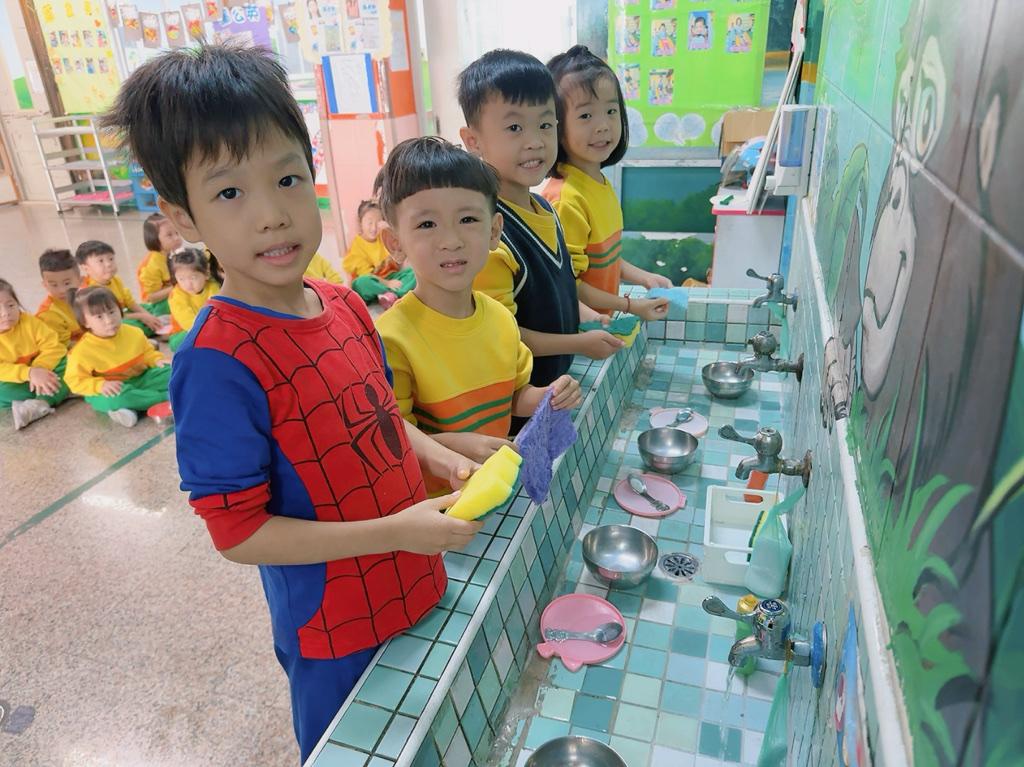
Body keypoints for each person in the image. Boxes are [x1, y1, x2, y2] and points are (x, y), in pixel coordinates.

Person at [101, 43, 483, 762]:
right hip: (333, 625)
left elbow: (379, 418)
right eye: (229, 194)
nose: (273, 215)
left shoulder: (343, 304)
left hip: (417, 574)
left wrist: (445, 456)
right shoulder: (215, 362)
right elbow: (238, 533)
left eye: (287, 178)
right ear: (181, 217)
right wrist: (393, 532)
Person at [374, 137, 583, 488]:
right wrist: (455, 446)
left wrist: (550, 396)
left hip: (493, 489)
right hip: (434, 505)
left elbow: (513, 397)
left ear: (494, 231)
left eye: (468, 219)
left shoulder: (501, 319)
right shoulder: (391, 339)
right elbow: (392, 436)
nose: (451, 241)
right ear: (395, 243)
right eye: (427, 224)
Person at [457, 48, 625, 395]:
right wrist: (578, 343)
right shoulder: (488, 236)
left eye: (545, 125)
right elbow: (505, 334)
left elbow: (556, 289)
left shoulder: (545, 209)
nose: (535, 142)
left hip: (557, 387)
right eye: (514, 127)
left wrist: (583, 314)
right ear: (473, 141)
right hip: (522, 401)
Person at [542, 46, 671, 320]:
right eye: (586, 115)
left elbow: (604, 260)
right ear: (556, 126)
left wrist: (645, 278)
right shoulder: (566, 200)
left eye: (611, 111)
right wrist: (630, 305)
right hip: (579, 331)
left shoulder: (598, 183)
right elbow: (570, 286)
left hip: (600, 326)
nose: (603, 125)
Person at [64, 286, 171, 428]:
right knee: (116, 399)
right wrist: (100, 385)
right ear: (85, 322)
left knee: (174, 371)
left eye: (112, 312)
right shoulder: (81, 352)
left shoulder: (133, 332)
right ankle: (166, 397)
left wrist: (157, 360)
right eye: (99, 317)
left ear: (120, 311)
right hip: (113, 389)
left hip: (141, 378)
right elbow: (75, 382)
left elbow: (147, 353)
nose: (109, 320)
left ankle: (134, 407)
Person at [0, 278, 70, 430]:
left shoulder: (29, 322)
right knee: (2, 391)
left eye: (10, 305)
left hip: (45, 370)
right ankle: (58, 391)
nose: (5, 313)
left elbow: (54, 347)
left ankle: (42, 401)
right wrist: (30, 373)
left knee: (69, 361)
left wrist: (39, 368)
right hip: (17, 380)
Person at [76, 240, 163, 337]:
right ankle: (145, 331)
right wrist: (141, 316)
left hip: (121, 314)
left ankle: (152, 325)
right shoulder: (90, 292)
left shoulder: (116, 280)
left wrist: (147, 315)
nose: (108, 264)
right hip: (109, 321)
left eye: (111, 259)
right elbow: (109, 316)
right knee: (125, 324)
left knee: (151, 308)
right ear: (86, 268)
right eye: (101, 261)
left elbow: (130, 303)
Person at [342, 199, 416, 309]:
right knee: (362, 282)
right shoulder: (357, 246)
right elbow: (366, 275)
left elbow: (398, 254)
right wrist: (387, 284)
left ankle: (388, 295)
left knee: (414, 271)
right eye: (370, 223)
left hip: (390, 276)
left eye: (378, 223)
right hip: (371, 281)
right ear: (360, 222)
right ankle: (394, 293)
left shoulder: (383, 237)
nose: (373, 228)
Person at [166, 248, 219, 352]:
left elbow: (218, 312)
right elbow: (187, 322)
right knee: (185, 341)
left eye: (193, 278)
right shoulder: (176, 295)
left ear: (206, 274)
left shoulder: (213, 287)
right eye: (181, 279)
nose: (188, 284)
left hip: (210, 328)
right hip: (183, 332)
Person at [137, 212, 183, 316]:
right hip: (157, 306)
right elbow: (151, 297)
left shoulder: (173, 254)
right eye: (169, 235)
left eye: (177, 232)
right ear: (154, 238)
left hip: (173, 294)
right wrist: (179, 285)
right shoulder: (151, 264)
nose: (177, 238)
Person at [36, 248, 84, 348]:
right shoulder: (48, 314)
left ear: (81, 281)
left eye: (67, 283)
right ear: (45, 285)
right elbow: (66, 345)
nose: (61, 290)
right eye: (54, 285)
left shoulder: (88, 296)